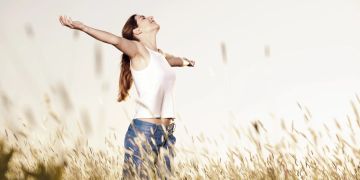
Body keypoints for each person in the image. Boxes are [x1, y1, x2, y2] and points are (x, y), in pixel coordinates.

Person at [59, 14, 195, 179]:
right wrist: (82, 27)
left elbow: (173, 60)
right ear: (137, 31)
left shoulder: (160, 56)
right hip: (144, 133)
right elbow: (115, 40)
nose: (150, 17)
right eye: (143, 18)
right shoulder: (138, 50)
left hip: (167, 133)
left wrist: (187, 62)